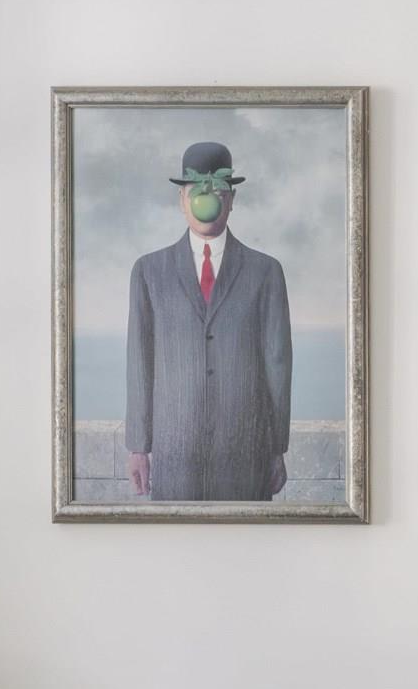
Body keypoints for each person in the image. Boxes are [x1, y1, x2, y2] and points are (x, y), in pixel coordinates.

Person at [123, 140, 294, 501]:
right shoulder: (149, 272)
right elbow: (139, 362)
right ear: (182, 200)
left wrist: (277, 448)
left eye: (217, 191)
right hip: (174, 457)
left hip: (246, 455)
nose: (207, 201)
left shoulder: (266, 272)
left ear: (232, 199)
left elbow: (277, 365)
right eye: (197, 192)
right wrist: (138, 447)